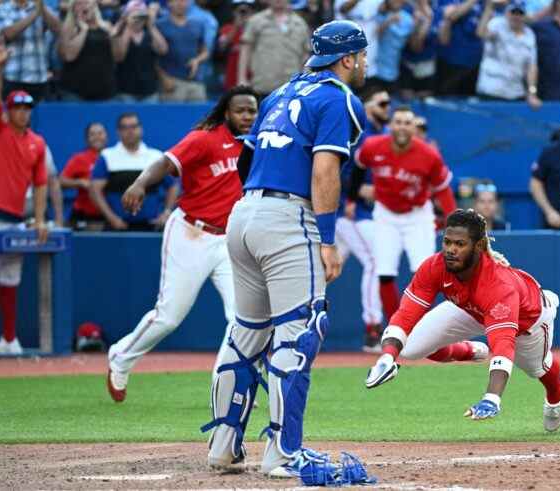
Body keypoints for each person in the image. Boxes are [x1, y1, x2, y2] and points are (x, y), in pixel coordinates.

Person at [204, 20, 368, 477]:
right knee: (299, 333)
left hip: (246, 213)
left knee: (246, 334)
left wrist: (256, 207)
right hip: (290, 217)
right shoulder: (337, 97)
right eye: (361, 54)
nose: (364, 63)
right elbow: (324, 172)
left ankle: (222, 444)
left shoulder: (279, 93)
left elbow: (245, 159)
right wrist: (329, 239)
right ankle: (283, 452)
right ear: (348, 58)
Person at [106, 87, 259, 403]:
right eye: (241, 110)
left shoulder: (257, 142)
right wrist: (139, 183)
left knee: (242, 317)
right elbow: (165, 162)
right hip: (192, 232)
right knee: (169, 316)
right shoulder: (205, 138)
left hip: (229, 239)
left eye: (252, 111)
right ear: (226, 112)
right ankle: (121, 356)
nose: (247, 116)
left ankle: (229, 382)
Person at [365, 209, 560, 433]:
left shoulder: (498, 285)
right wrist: (386, 358)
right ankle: (467, 351)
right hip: (472, 310)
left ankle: (557, 393)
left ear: (479, 246)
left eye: (460, 244)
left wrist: (492, 398)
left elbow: (502, 346)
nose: (451, 250)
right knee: (410, 347)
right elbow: (406, 314)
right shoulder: (434, 266)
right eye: (447, 242)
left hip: (526, 320)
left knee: (537, 369)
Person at [349, 105, 456, 323]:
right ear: (390, 126)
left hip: (417, 215)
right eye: (397, 122)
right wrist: (352, 198)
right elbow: (358, 167)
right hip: (386, 214)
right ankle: (394, 326)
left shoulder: (428, 154)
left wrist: (454, 221)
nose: (402, 127)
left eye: (407, 123)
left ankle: (422, 328)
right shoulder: (373, 146)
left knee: (424, 273)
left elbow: (442, 189)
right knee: (385, 272)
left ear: (414, 128)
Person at [0, 39, 48, 356]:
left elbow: (40, 185)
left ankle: (9, 339)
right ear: (9, 112)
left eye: (27, 108)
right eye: (17, 108)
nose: (22, 113)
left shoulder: (37, 142)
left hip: (16, 220)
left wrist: (37, 219)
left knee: (10, 278)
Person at [335, 87, 390, 352]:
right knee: (375, 261)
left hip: (366, 212)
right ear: (367, 106)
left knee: (324, 270)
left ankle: (293, 320)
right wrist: (354, 193)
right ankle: (372, 329)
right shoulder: (359, 134)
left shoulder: (383, 137)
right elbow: (337, 169)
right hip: (349, 212)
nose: (386, 108)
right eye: (382, 102)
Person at [89, 112, 178, 231]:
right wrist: (112, 218)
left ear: (141, 129)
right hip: (116, 228)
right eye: (125, 128)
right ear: (118, 132)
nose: (130, 131)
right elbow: (95, 191)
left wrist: (167, 213)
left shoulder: (156, 156)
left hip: (151, 227)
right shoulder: (107, 156)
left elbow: (173, 186)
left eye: (134, 127)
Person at [0, 0, 62, 103]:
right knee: (12, 118)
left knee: (38, 118)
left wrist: (42, 10)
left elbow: (58, 29)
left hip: (39, 79)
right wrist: (34, 15)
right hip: (12, 78)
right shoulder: (2, 9)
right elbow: (8, 34)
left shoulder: (41, 8)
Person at [238, 0, 311, 97]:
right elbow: (245, 51)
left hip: (291, 89)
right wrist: (241, 78)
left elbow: (306, 56)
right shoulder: (256, 21)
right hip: (262, 87)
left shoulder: (300, 23)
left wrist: (305, 81)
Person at [476, 0, 541, 109]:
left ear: (525, 16)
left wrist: (532, 93)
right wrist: (488, 9)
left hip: (515, 92)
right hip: (491, 90)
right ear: (507, 13)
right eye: (513, 13)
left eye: (520, 13)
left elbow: (531, 67)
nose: (516, 17)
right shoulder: (497, 24)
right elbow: (481, 33)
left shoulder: (529, 35)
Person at [58, 0, 118, 101]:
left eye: (86, 2)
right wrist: (84, 30)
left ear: (94, 5)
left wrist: (113, 35)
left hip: (105, 91)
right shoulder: (69, 28)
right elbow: (68, 56)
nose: (83, 6)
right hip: (75, 92)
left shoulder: (106, 26)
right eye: (79, 3)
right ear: (73, 8)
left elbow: (117, 56)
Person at [112, 0, 169, 102]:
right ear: (127, 16)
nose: (138, 19)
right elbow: (119, 56)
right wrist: (128, 27)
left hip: (149, 90)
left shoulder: (150, 34)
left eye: (141, 16)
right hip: (126, 90)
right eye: (135, 15)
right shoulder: (120, 34)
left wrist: (151, 25)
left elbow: (163, 50)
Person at [156, 0, 209, 102]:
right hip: (172, 82)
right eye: (177, 1)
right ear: (169, 3)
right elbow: (152, 57)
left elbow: (205, 51)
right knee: (172, 117)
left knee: (200, 117)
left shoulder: (197, 25)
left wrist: (197, 60)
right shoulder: (160, 25)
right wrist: (163, 78)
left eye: (184, 1)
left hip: (196, 82)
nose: (181, 4)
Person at [60, 122, 109, 230]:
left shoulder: (113, 157)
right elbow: (61, 181)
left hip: (108, 213)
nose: (97, 137)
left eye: (100, 133)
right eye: (92, 134)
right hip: (82, 214)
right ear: (87, 139)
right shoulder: (79, 158)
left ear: (107, 136)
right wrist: (80, 182)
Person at [437, 0, 485, 95]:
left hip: (477, 64)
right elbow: (451, 16)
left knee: (472, 105)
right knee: (446, 101)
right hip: (451, 61)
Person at [373, 0, 415, 93]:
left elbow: (410, 44)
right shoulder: (380, 14)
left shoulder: (408, 19)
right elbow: (375, 37)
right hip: (375, 69)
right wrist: (388, 22)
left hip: (394, 69)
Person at [216, 0, 256, 91]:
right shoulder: (227, 28)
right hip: (231, 80)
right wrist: (236, 26)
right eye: (240, 11)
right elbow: (221, 47)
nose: (243, 14)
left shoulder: (258, 30)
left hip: (254, 79)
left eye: (247, 11)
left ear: (253, 12)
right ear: (234, 12)